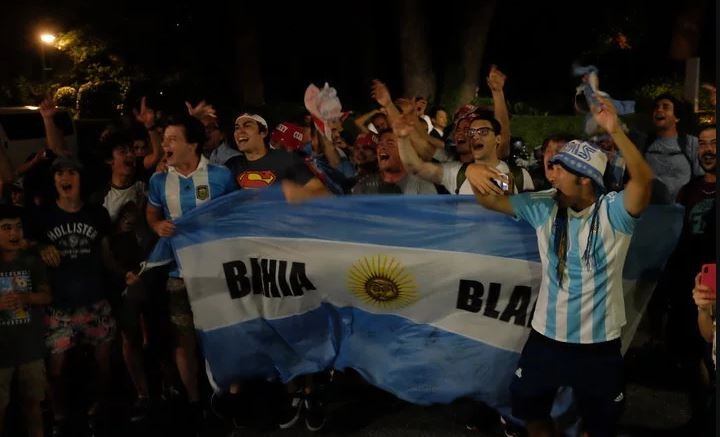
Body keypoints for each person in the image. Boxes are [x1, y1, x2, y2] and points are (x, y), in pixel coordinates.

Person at [465, 94, 653, 436]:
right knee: (530, 412)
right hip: (546, 339)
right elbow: (489, 199)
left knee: (600, 425)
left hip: (599, 345)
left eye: (560, 168)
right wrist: (473, 168)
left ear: (584, 179)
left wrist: (617, 131)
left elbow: (643, 182)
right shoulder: (542, 205)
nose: (550, 172)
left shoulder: (614, 212)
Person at [146, 114, 236, 433]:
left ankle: (226, 398)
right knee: (183, 341)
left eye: (172, 139)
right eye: (164, 139)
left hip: (215, 272)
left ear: (192, 145)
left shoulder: (222, 176)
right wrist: (157, 225)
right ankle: (195, 403)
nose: (165, 145)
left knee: (219, 334)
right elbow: (152, 211)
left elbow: (236, 216)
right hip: (177, 274)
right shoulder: (159, 180)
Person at [28, 156, 116, 436]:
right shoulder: (43, 216)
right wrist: (40, 246)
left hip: (95, 300)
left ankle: (96, 409)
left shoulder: (96, 214)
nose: (65, 178)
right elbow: (25, 244)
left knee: (104, 363)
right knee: (55, 369)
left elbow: (106, 253)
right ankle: (60, 416)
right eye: (59, 174)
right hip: (59, 306)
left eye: (71, 173)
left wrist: (123, 275)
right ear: (54, 180)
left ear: (81, 178)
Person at [0, 205, 51, 437]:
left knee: (33, 407)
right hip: (1, 351)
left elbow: (47, 295)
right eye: (6, 228)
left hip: (29, 347)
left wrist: (26, 297)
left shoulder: (31, 260)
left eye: (18, 227)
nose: (14, 233)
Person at [394, 112, 534, 195]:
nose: (476, 137)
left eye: (483, 132)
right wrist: (402, 138)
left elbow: (533, 218)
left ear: (497, 138)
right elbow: (415, 167)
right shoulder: (456, 173)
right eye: (471, 132)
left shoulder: (520, 176)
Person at [224, 113, 330, 201]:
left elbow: (324, 194)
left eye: (247, 126)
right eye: (237, 127)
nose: (240, 131)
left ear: (263, 132)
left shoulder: (287, 159)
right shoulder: (231, 166)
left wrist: (302, 195)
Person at [642, 94, 703, 204]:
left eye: (665, 107)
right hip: (649, 214)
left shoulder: (691, 143)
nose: (659, 110)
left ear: (677, 117)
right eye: (656, 107)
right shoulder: (643, 143)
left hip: (682, 213)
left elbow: (702, 179)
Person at [352, 129, 439, 195]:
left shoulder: (421, 186)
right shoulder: (364, 187)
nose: (382, 147)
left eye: (390, 144)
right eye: (380, 144)